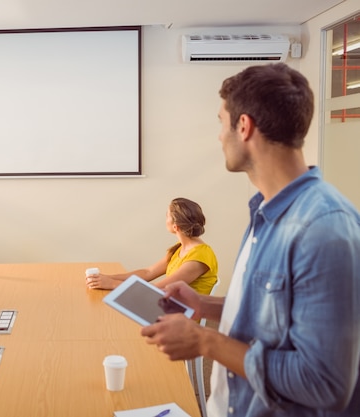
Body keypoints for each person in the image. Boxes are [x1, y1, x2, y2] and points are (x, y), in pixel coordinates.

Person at [141, 63, 360, 416]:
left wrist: (203, 340)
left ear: (244, 126)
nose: (218, 136)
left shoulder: (323, 229)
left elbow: (323, 384)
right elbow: (276, 315)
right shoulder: (265, 213)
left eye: (220, 122)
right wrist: (203, 305)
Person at [86, 198, 218, 295]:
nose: (165, 219)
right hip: (166, 306)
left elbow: (156, 291)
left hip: (179, 317)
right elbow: (148, 272)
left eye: (167, 216)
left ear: (175, 226)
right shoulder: (180, 249)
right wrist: (108, 278)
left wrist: (112, 284)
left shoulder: (199, 257)